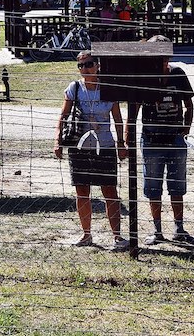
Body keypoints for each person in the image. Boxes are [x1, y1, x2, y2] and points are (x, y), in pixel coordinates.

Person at [54, 50, 129, 249]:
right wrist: (57, 141)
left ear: (97, 65)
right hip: (79, 146)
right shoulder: (75, 88)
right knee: (82, 191)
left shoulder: (108, 87)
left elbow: (118, 119)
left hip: (104, 146)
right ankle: (86, 235)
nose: (84, 69)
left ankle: (117, 236)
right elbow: (63, 115)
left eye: (88, 64)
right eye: (80, 65)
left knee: (109, 191)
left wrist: (121, 143)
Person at [128, 35, 194, 245]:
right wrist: (127, 136)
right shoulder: (144, 77)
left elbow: (189, 104)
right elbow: (134, 109)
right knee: (153, 186)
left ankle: (179, 228)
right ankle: (157, 230)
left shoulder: (178, 74)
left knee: (177, 185)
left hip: (176, 139)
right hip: (151, 140)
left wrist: (185, 129)